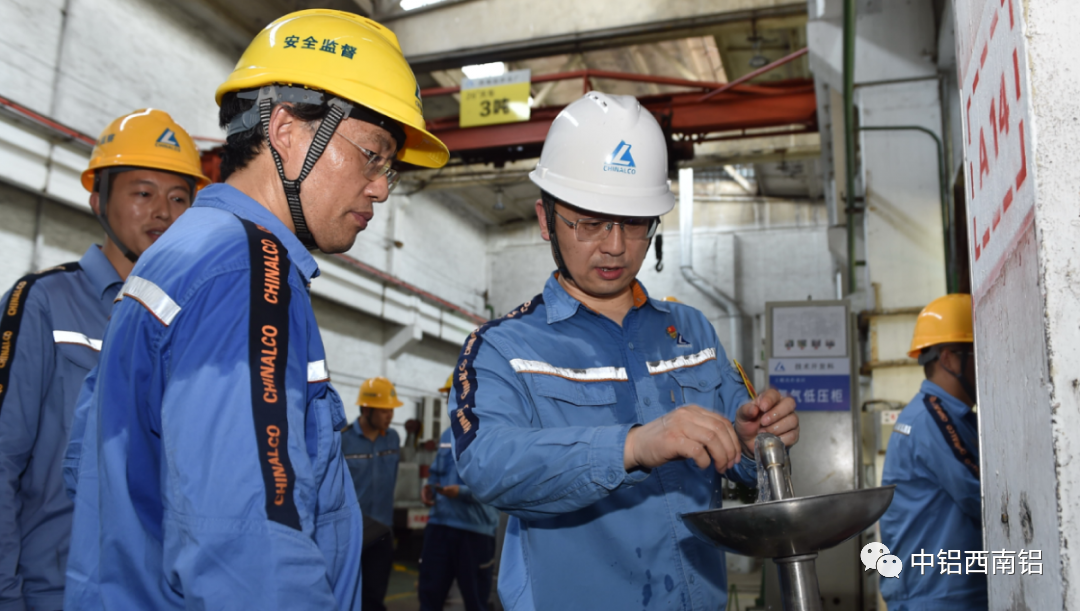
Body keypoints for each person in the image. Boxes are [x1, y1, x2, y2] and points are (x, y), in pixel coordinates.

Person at [63, 9, 448, 610]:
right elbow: (245, 548)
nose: (381, 187)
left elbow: (91, 473)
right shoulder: (246, 270)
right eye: (372, 154)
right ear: (288, 129)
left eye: (390, 168)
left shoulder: (179, 253)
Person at [447, 92, 800, 611]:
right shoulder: (502, 348)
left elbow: (747, 479)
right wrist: (631, 446)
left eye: (635, 223)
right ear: (546, 220)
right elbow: (489, 467)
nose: (615, 246)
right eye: (589, 222)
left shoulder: (692, 332)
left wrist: (752, 445)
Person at [0, 108, 207, 611]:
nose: (163, 212)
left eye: (179, 198)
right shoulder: (44, 303)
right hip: (55, 590)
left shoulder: (189, 325)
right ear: (98, 199)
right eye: (143, 192)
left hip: (156, 593)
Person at [879, 294, 985, 610]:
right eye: (980, 352)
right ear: (950, 359)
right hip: (941, 595)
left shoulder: (953, 417)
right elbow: (982, 497)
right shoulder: (933, 420)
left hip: (945, 591)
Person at [418, 375, 500, 611]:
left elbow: (495, 485)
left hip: (474, 532)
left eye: (452, 396)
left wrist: (461, 493)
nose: (449, 402)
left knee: (476, 602)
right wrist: (429, 488)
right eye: (447, 397)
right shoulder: (447, 435)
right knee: (429, 598)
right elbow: (436, 472)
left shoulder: (491, 436)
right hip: (440, 527)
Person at [341, 376, 404, 611]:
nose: (390, 416)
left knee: (374, 598)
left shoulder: (394, 439)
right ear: (366, 409)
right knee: (346, 595)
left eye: (391, 410)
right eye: (384, 410)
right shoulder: (343, 441)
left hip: (382, 532)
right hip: (350, 534)